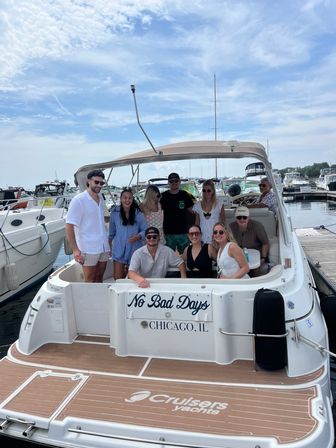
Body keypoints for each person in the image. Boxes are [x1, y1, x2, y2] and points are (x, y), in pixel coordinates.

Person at [65, 169, 110, 282]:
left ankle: (98, 298)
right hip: (88, 247)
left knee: (100, 276)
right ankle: (89, 299)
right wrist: (75, 250)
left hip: (103, 246)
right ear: (89, 181)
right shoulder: (79, 200)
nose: (99, 185)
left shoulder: (100, 199)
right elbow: (69, 226)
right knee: (90, 279)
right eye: (96, 182)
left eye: (101, 183)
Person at [109, 188, 147, 280]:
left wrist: (138, 236)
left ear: (132, 199)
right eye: (125, 198)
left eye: (130, 198)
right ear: (121, 199)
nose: (127, 200)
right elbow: (111, 233)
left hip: (134, 249)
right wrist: (109, 247)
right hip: (119, 249)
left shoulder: (138, 214)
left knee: (133, 279)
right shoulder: (114, 213)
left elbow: (146, 230)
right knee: (118, 278)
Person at [160, 172, 195, 254]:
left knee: (186, 256)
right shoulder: (163, 196)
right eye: (171, 181)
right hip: (168, 233)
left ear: (179, 182)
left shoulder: (184, 194)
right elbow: (154, 209)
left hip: (183, 232)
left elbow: (193, 210)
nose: (174, 183)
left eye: (176, 181)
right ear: (168, 183)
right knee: (168, 257)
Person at [229, 206, 269, 276]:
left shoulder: (257, 226)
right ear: (235, 218)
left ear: (248, 217)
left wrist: (263, 258)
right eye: (239, 217)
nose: (242, 219)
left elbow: (265, 243)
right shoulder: (230, 227)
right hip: (238, 255)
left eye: (244, 217)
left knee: (256, 272)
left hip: (255, 255)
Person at [193, 179, 225, 243]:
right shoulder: (197, 205)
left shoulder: (219, 204)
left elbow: (223, 222)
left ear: (213, 191)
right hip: (202, 238)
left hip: (215, 238)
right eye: (204, 190)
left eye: (209, 190)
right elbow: (197, 224)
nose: (206, 193)